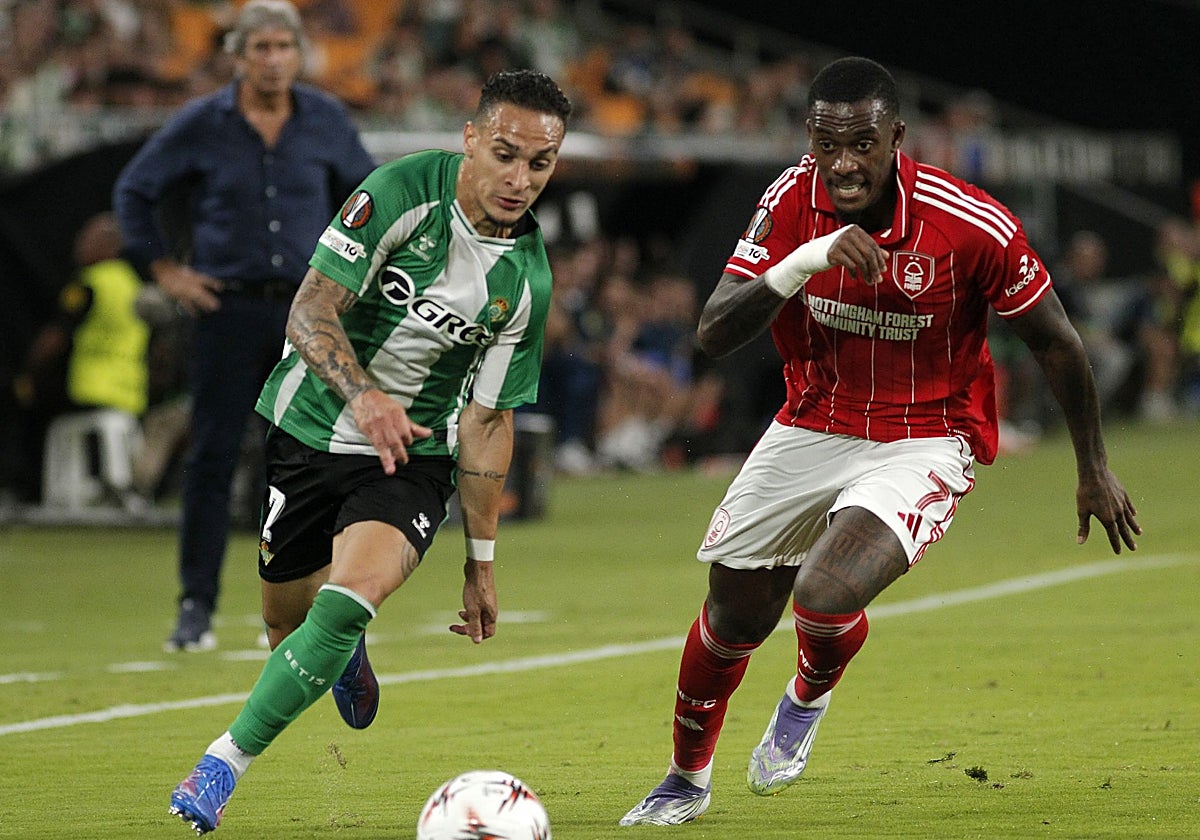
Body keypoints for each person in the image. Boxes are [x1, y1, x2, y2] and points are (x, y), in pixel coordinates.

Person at [620, 56, 1141, 826]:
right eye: (827, 145)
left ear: (896, 137)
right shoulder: (791, 200)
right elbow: (713, 330)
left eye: (861, 144)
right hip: (812, 421)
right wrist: (809, 258)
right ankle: (685, 780)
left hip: (926, 434)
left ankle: (807, 692)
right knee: (732, 615)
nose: (842, 164)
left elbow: (1057, 342)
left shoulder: (969, 225)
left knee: (823, 594)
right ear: (809, 137)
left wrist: (1093, 467)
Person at [167, 68, 572, 835]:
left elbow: (489, 422)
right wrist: (363, 396)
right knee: (288, 627)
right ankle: (340, 652)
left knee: (351, 596)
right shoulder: (398, 194)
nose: (519, 179)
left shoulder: (526, 281)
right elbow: (311, 306)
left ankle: (223, 762)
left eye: (539, 164)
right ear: (471, 139)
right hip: (309, 429)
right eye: (505, 153)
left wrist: (481, 561)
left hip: (411, 457)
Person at [112, 0, 376, 653]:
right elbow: (134, 190)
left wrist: (360, 280)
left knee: (304, 458)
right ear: (238, 54)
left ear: (297, 52)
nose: (273, 59)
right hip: (226, 308)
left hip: (307, 312)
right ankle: (195, 608)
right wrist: (165, 271)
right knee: (211, 455)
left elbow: (369, 199)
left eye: (283, 46)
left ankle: (290, 607)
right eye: (259, 47)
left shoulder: (324, 119)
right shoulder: (204, 123)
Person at [11, 211, 151, 504]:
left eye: (87, 239)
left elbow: (56, 337)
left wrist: (28, 371)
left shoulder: (90, 283)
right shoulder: (130, 283)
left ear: (108, 246)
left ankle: (29, 493)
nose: (79, 245)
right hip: (131, 392)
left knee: (26, 403)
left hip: (89, 388)